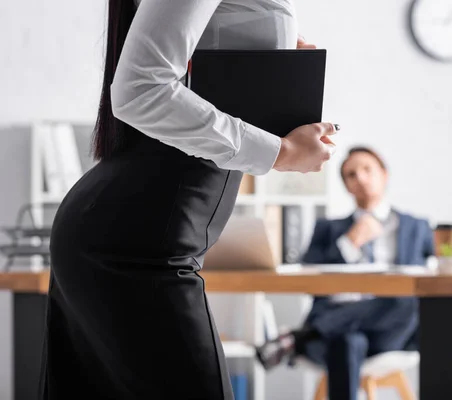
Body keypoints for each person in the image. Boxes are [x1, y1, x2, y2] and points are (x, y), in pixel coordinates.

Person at [39, 1, 339, 399]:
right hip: (130, 245)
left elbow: (195, 79)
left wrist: (276, 70)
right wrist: (279, 153)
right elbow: (138, 90)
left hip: (130, 233)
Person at [256, 146, 434, 400]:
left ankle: (303, 335)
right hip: (337, 328)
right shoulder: (328, 228)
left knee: (403, 298)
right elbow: (307, 281)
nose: (360, 178)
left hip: (390, 329)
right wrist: (350, 242)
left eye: (366, 170)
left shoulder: (417, 227)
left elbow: (432, 277)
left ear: (384, 174)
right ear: (346, 186)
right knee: (348, 341)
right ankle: (317, 332)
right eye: (351, 175)